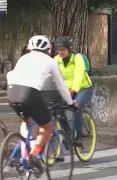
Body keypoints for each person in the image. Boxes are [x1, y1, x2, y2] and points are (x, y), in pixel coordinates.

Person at [6, 35, 77, 173]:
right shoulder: (50, 61)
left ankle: (24, 156)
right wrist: (70, 102)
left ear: (30, 47)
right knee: (47, 126)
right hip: (29, 94)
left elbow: (10, 74)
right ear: (48, 49)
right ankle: (34, 155)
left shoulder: (23, 58)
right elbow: (61, 86)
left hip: (12, 91)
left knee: (26, 121)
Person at [54, 36, 93, 140]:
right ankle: (67, 133)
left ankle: (79, 134)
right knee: (58, 110)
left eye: (63, 49)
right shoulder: (56, 60)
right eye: (58, 49)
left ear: (69, 49)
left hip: (83, 88)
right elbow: (50, 75)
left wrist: (73, 90)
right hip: (68, 89)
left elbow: (79, 75)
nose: (60, 52)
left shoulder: (77, 58)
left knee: (77, 108)